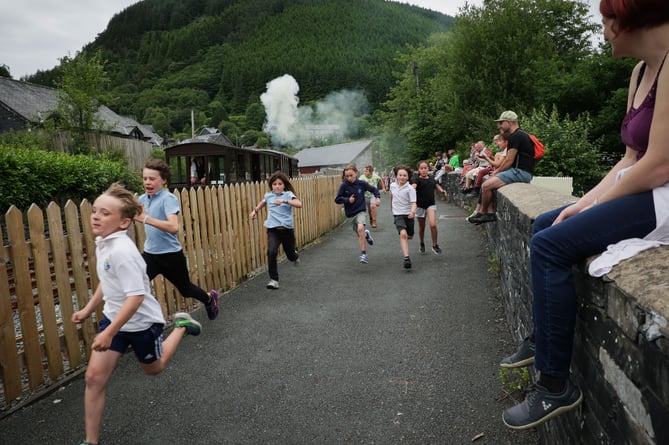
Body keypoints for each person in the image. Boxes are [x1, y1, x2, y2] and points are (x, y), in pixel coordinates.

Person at [500, 0, 669, 430]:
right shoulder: (639, 73)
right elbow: (629, 158)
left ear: (634, 20)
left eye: (610, 21)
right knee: (545, 222)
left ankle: (554, 384)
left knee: (549, 245)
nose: (607, 31)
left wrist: (595, 203)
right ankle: (542, 338)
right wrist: (580, 203)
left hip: (664, 195)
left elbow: (659, 165)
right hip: (646, 186)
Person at [73, 183, 202, 445]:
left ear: (124, 223)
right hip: (115, 319)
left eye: (105, 213)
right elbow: (107, 280)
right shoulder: (104, 244)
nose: (96, 216)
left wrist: (108, 332)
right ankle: (90, 441)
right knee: (93, 378)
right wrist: (88, 309)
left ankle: (180, 325)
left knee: (154, 369)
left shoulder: (122, 251)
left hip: (142, 323)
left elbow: (136, 297)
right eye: (95, 211)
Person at [136, 159, 219, 320]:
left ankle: (209, 299)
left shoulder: (168, 198)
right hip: (150, 255)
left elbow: (173, 227)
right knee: (134, 286)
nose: (147, 182)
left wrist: (145, 219)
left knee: (186, 290)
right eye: (145, 178)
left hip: (171, 256)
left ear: (164, 180)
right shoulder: (142, 199)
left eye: (152, 179)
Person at [467, 111, 535, 224]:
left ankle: (483, 214)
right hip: (524, 171)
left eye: (501, 123)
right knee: (490, 183)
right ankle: (488, 212)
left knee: (486, 186)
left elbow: (509, 160)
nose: (499, 126)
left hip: (519, 172)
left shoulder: (515, 136)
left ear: (509, 122)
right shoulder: (522, 134)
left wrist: (496, 172)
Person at [250, 171, 302, 290]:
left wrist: (285, 201)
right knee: (271, 252)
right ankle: (274, 280)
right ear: (271, 186)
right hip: (273, 230)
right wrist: (255, 211)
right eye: (274, 184)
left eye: (279, 184)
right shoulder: (268, 196)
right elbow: (262, 203)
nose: (277, 186)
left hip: (287, 230)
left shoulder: (288, 194)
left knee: (290, 254)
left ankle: (294, 256)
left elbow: (299, 204)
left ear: (284, 185)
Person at [334, 164, 381, 264]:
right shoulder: (344, 185)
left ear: (356, 173)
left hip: (361, 211)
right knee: (360, 234)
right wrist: (348, 200)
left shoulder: (361, 183)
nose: (349, 178)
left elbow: (374, 189)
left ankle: (364, 255)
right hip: (350, 214)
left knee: (360, 228)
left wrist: (377, 197)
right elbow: (337, 199)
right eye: (347, 176)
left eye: (351, 175)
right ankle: (366, 234)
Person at [411, 160, 447, 254]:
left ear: (428, 169)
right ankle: (422, 242)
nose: (423, 170)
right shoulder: (416, 179)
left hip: (431, 204)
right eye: (421, 168)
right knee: (421, 227)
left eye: (425, 168)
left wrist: (442, 191)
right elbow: (413, 186)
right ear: (418, 170)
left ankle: (435, 245)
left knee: (433, 224)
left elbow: (436, 185)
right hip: (419, 205)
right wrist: (412, 188)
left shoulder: (431, 178)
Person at [389, 165, 417, 269]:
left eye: (404, 175)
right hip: (398, 214)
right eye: (400, 175)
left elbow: (414, 203)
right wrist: (391, 207)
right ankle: (406, 258)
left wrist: (413, 212)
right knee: (403, 235)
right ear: (396, 176)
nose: (402, 177)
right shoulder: (392, 186)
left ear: (408, 177)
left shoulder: (410, 189)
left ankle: (408, 236)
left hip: (408, 214)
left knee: (409, 236)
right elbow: (392, 196)